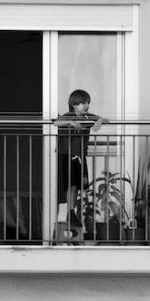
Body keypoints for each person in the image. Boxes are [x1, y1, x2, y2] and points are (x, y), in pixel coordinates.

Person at [54, 89, 103, 226]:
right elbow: (56, 123)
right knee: (69, 185)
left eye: (87, 103)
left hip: (80, 156)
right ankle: (69, 213)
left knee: (76, 186)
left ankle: (71, 212)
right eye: (82, 103)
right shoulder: (68, 115)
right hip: (67, 156)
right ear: (74, 104)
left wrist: (98, 121)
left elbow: (104, 119)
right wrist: (70, 122)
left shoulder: (87, 117)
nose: (86, 105)